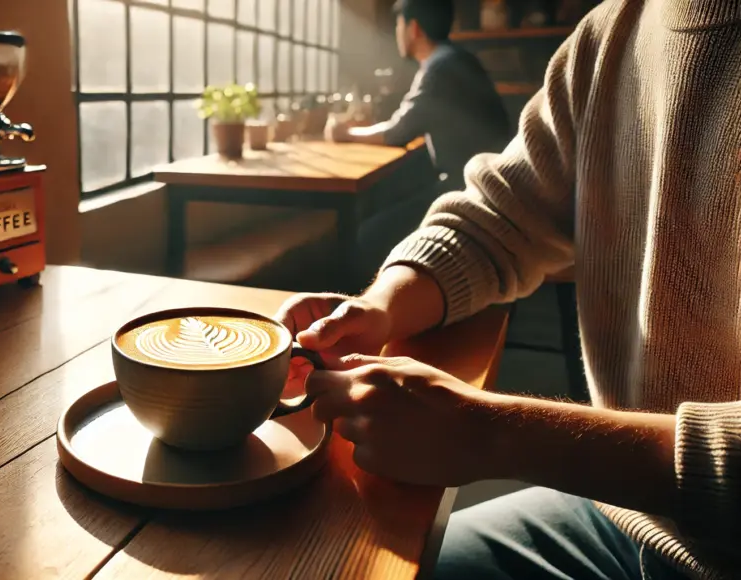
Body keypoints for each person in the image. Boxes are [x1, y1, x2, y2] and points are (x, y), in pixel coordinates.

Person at [279, 0, 741, 578]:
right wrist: (378, 306)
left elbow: (402, 130)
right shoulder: (610, 33)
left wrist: (491, 436)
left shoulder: (443, 65)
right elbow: (499, 217)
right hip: (622, 514)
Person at [327, 0, 510, 190]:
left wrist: (346, 134)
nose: (397, 33)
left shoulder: (439, 69)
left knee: (377, 218)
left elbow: (396, 133)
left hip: (468, 189)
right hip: (486, 181)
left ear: (413, 28)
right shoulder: (458, 58)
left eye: (399, 25)